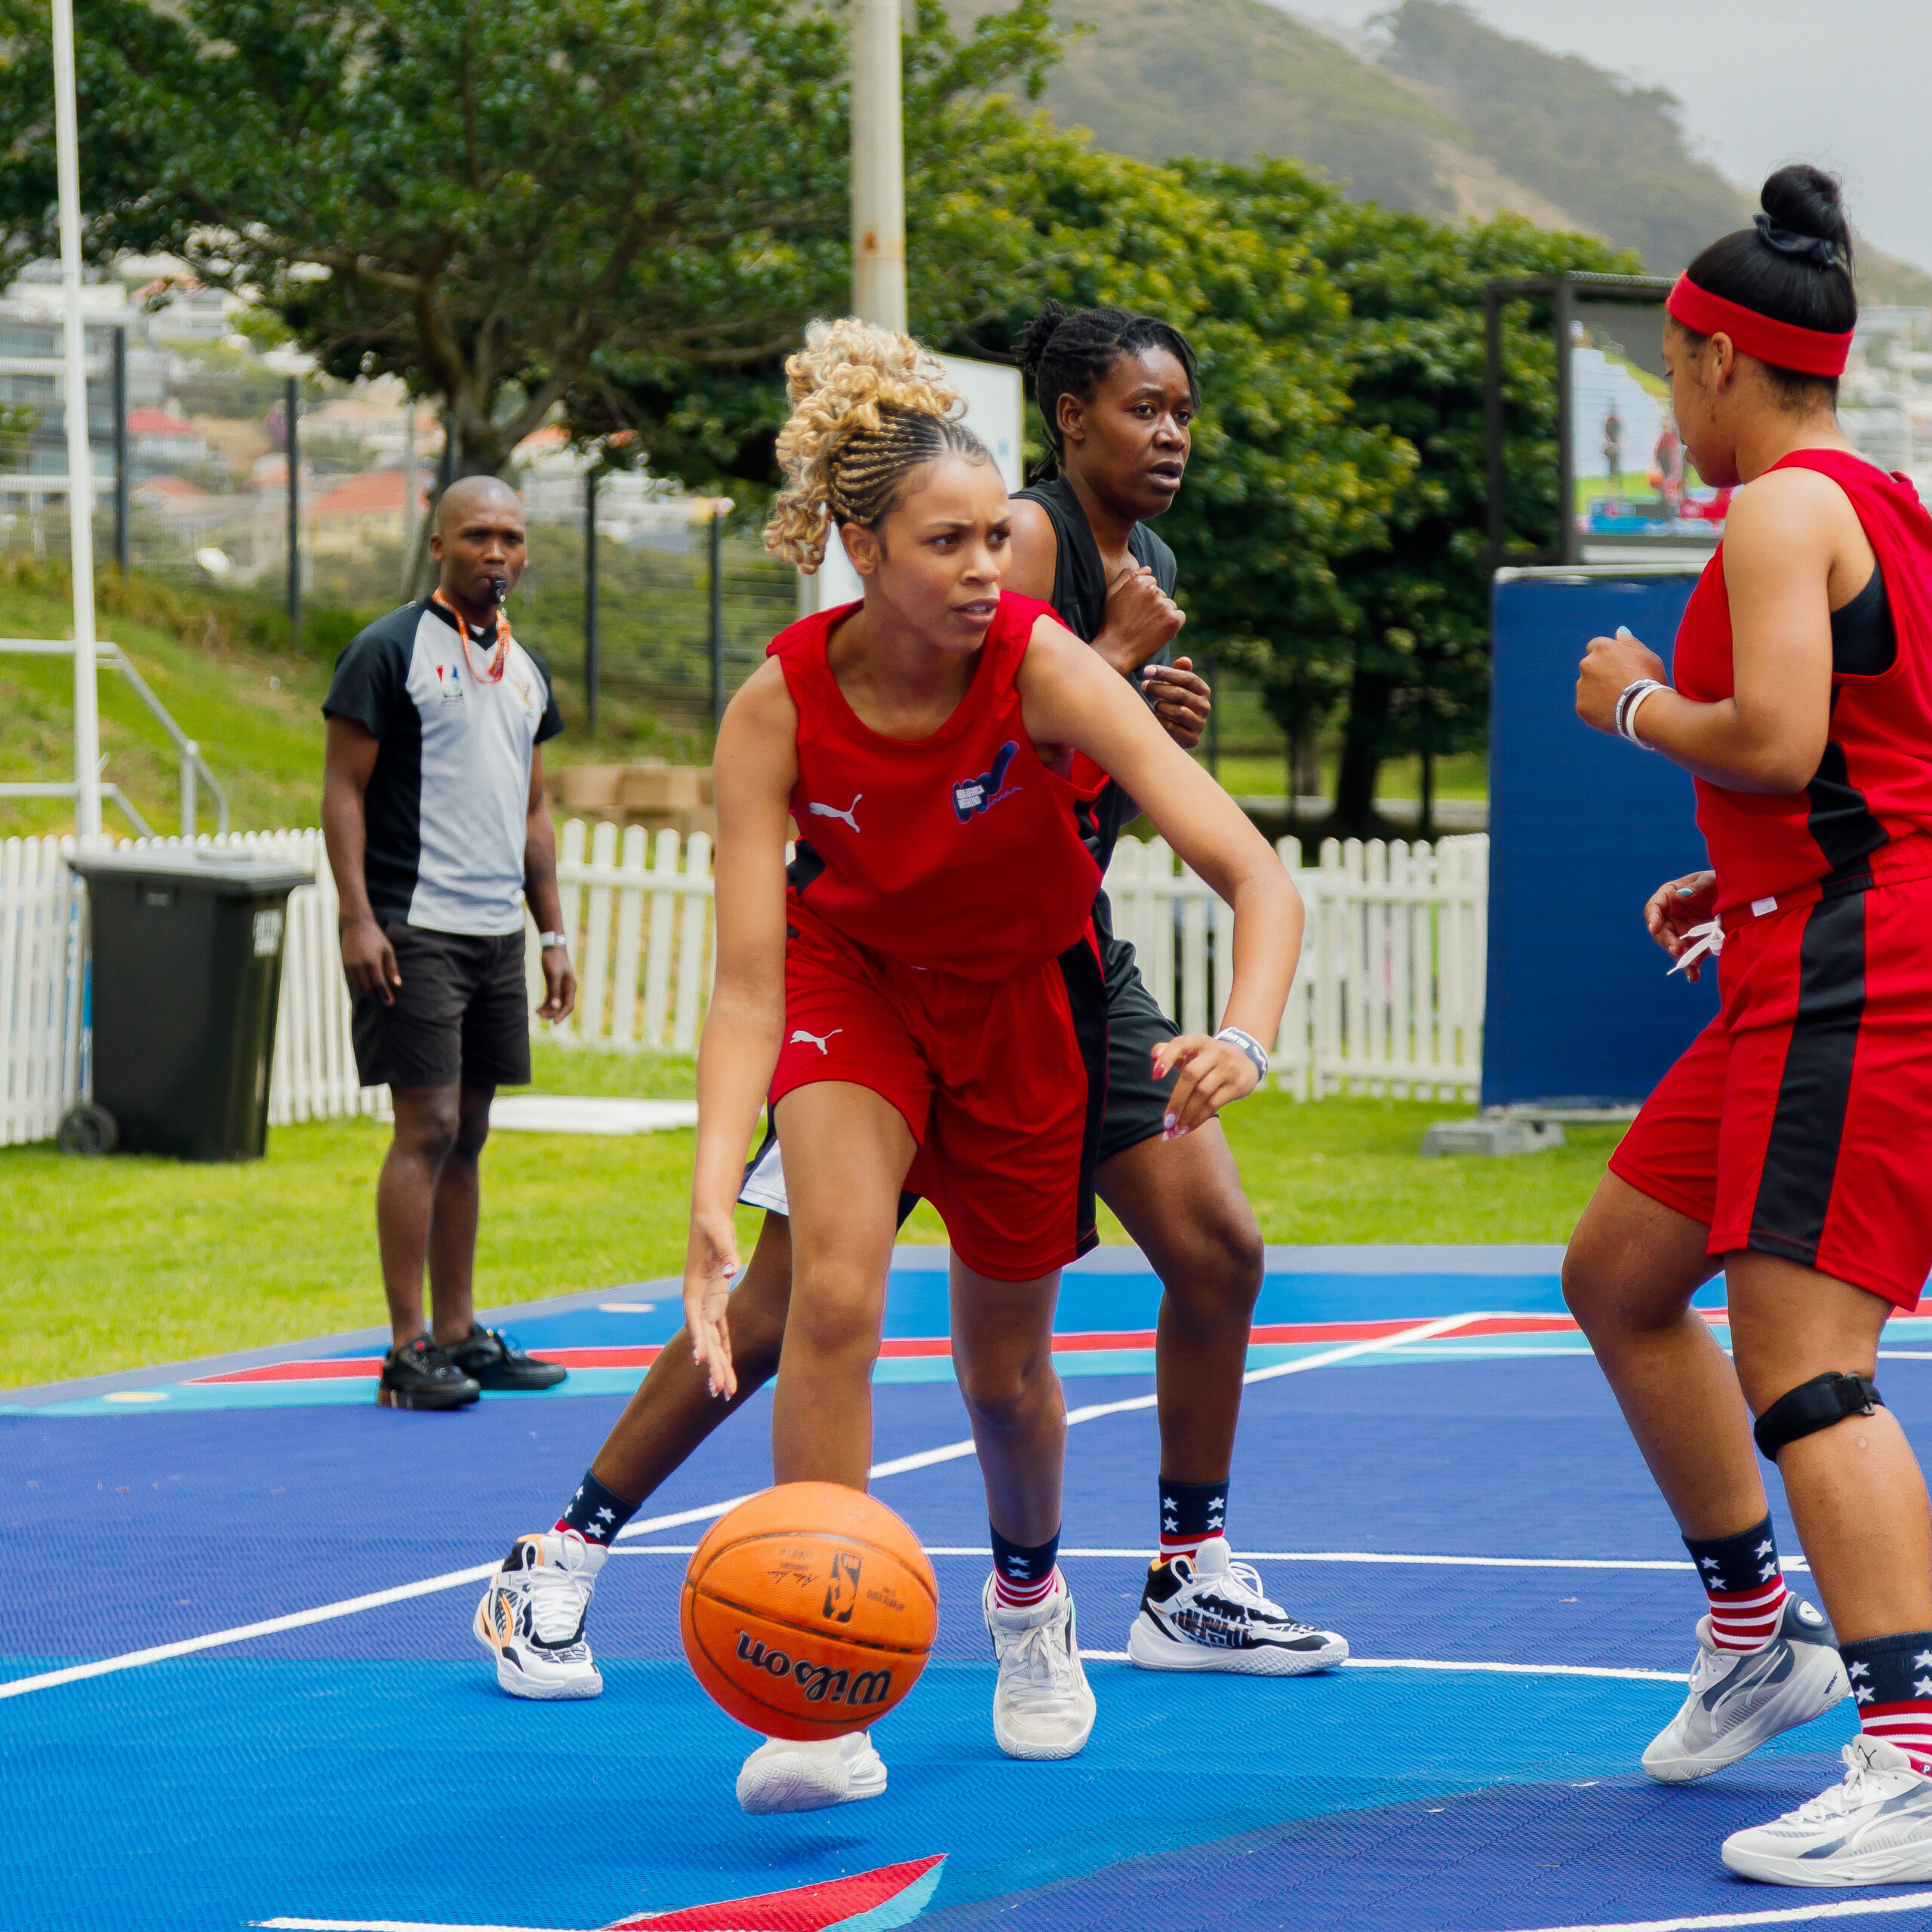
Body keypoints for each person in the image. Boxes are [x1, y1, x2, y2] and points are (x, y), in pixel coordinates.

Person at [469, 306, 1346, 1760]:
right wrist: (701, 1193)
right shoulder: (780, 706)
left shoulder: (1046, 660)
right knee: (823, 1303)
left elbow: (1253, 870)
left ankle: (1029, 1603)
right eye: (950, 545)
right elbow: (749, 980)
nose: (986, 569)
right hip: (855, 992)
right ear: (860, 551)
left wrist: (1244, 1036)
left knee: (1003, 1375)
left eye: (995, 541)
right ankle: (815, 1708)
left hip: (1025, 1005)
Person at [1569, 165, 1932, 1887]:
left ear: (1715, 354)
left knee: (1803, 1358)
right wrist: (1743, 888)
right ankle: (1753, 1631)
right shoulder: (1883, 499)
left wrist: (1630, 700)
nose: (1665, 400)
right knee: (1620, 1271)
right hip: (1812, 937)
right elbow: (1868, 767)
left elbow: (1779, 738)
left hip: (1863, 969)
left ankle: (1914, 1752)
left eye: (1668, 368)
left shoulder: (1783, 511)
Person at [321, 476, 577, 1412]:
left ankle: (462, 1335)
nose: (496, 553)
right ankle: (405, 1348)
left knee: (469, 1132)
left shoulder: (524, 668)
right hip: (411, 924)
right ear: (439, 546)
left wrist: (550, 930)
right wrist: (358, 917)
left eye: (511, 536)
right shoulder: (387, 652)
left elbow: (533, 808)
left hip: (492, 932)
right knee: (423, 1127)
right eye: (477, 536)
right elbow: (342, 789)